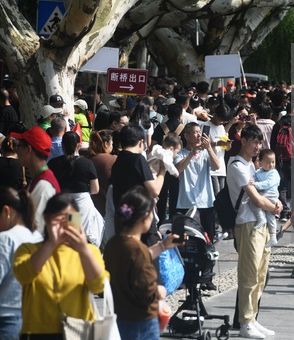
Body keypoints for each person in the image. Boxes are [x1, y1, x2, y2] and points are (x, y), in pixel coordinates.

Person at [13, 193, 107, 338]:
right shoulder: (28, 250)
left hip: (78, 331)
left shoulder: (90, 252)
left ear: (78, 220)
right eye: (59, 219)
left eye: (70, 218)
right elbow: (23, 276)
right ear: (46, 219)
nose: (65, 225)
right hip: (37, 333)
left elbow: (99, 286)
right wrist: (51, 243)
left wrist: (83, 249)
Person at [104, 186, 182, 340]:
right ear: (146, 217)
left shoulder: (114, 244)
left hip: (121, 315)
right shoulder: (137, 250)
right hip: (142, 321)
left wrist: (162, 246)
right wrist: (160, 291)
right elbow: (146, 292)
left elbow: (136, 258)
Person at [227, 124, 282, 339]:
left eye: (260, 142)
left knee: (261, 274)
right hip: (247, 223)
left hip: (262, 225)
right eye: (254, 142)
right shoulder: (237, 165)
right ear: (243, 141)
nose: (258, 146)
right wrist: (276, 207)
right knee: (249, 274)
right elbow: (257, 199)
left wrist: (275, 203)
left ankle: (253, 318)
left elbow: (268, 192)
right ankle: (245, 321)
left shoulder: (255, 167)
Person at [48, 132, 103, 246]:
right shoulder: (87, 163)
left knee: (66, 240)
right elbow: (95, 189)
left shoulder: (53, 163)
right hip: (83, 205)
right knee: (83, 239)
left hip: (61, 203)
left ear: (62, 145)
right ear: (79, 145)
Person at [0, 187, 41, 339]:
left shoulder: (5, 239)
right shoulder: (36, 236)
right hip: (33, 318)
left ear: (6, 211)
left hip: (6, 321)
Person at [174, 122, 220, 241]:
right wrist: (192, 153)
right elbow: (178, 169)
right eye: (195, 132)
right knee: (186, 239)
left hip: (206, 201)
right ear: (186, 136)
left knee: (208, 237)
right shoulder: (181, 153)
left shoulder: (206, 152)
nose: (199, 135)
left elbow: (217, 166)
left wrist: (209, 148)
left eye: (200, 132)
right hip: (186, 202)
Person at [12, 126, 61, 232]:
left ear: (28, 149)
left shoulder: (43, 185)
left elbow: (35, 230)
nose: (16, 151)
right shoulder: (40, 179)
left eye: (18, 146)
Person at [252, 149, 281, 247]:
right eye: (268, 162)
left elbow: (268, 184)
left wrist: (255, 185)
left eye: (273, 162)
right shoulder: (259, 171)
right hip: (265, 193)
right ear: (260, 163)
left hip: (271, 194)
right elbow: (255, 178)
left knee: (255, 200)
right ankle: (273, 236)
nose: (271, 165)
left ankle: (261, 219)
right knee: (270, 215)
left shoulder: (274, 173)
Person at [88, 129, 117, 216]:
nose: (112, 146)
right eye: (111, 144)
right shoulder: (114, 159)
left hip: (92, 205)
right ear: (106, 144)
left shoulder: (87, 159)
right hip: (108, 206)